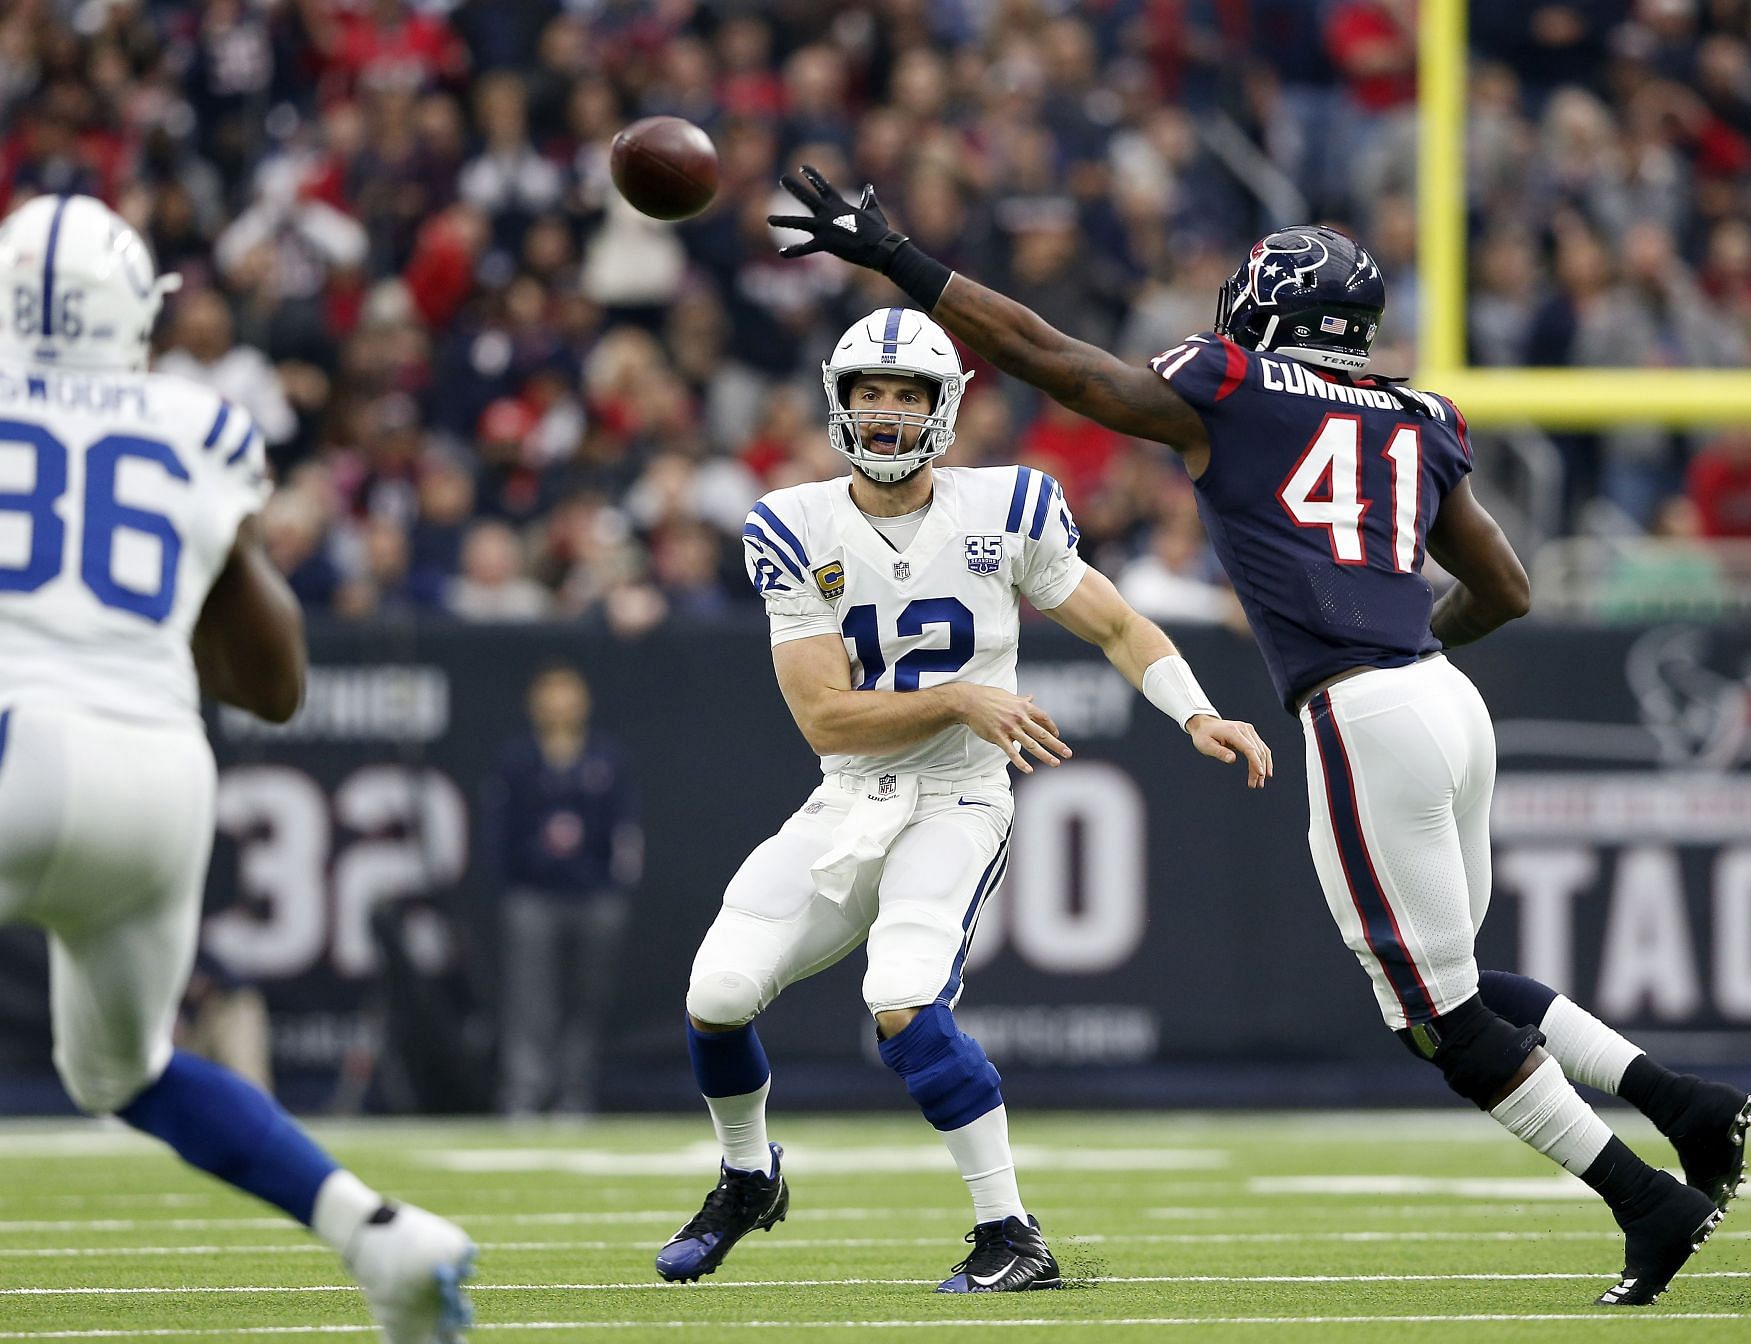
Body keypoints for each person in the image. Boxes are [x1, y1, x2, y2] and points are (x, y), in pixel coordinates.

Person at [769, 168, 1751, 1309]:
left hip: (1364, 710)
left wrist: (901, 259)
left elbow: (1057, 360)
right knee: (1461, 981)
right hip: (1445, 696)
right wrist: (1404, 642)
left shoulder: (1231, 382)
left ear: (1264, 308)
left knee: (1435, 1020)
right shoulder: (1417, 413)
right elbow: (1510, 590)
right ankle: (1687, 1106)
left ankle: (1649, 1201)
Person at [656, 306, 1272, 1292]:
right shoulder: (793, 524)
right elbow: (825, 717)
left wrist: (1195, 714)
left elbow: (1116, 625)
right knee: (717, 996)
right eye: (872, 392)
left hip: (958, 799)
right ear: (839, 403)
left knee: (900, 999)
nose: (890, 412)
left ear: (945, 408)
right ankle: (747, 1175)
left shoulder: (1007, 508)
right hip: (849, 794)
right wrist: (957, 695)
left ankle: (1012, 1233)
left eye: (909, 393)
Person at [0, 194, 474, 1343]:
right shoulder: (198, 426)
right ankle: (381, 1236)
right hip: (160, 778)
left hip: (19, 740)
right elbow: (272, 686)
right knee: (125, 1073)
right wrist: (226, 545)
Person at [488, 663, 640, 1116]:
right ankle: (526, 1091)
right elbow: (501, 831)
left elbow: (625, 831)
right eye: (550, 695)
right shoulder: (518, 760)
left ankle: (575, 1090)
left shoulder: (606, 759)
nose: (559, 705)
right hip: (534, 896)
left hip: (595, 896)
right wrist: (515, 880)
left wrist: (614, 884)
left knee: (587, 998)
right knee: (530, 998)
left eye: (567, 694)